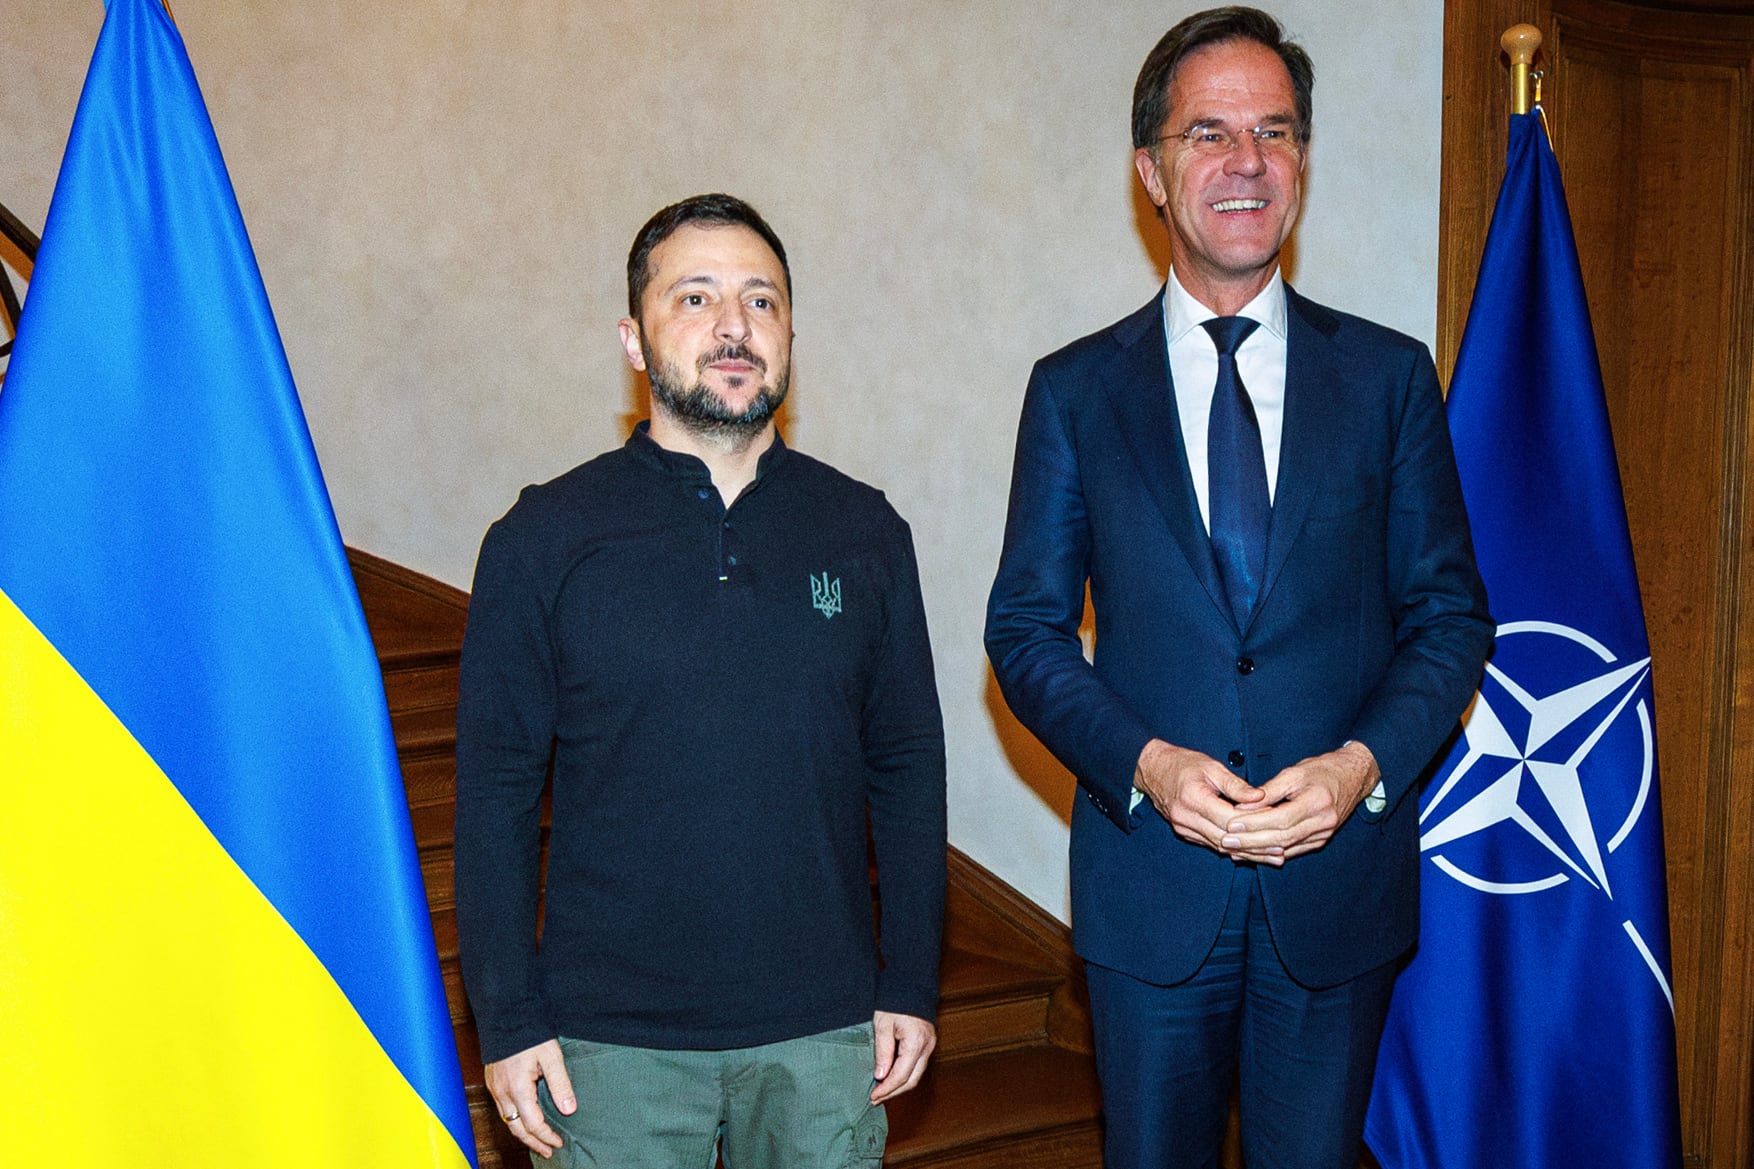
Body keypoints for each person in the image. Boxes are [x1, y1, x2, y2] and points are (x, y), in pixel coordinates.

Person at [984, 9, 1493, 1168]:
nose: (1244, 161)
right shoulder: (1072, 392)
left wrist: (1357, 767)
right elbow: (1023, 631)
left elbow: (1449, 615)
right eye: (1206, 131)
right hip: (1148, 892)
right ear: (1150, 172)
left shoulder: (1386, 379)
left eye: (1273, 131)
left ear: (1301, 163)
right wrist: (1147, 765)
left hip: (1336, 893)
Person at [454, 193, 947, 1168]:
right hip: (608, 1044)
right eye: (695, 297)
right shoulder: (541, 539)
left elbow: (906, 764)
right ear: (633, 339)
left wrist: (911, 982)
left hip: (822, 1034)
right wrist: (507, 1014)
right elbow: (495, 791)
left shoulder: (865, 533)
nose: (733, 324)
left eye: (760, 301)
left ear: (789, 333)